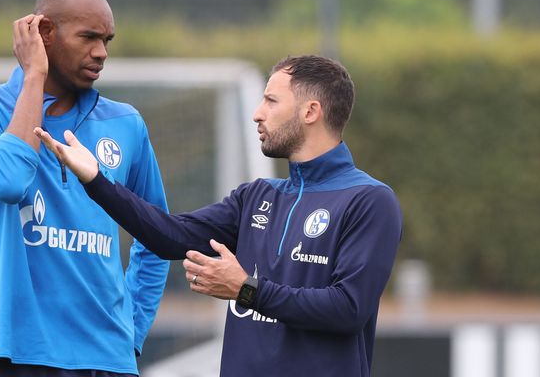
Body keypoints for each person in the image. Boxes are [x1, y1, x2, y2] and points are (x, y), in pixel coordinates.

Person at [35, 55, 402, 377]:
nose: (258, 113)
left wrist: (246, 290)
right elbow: (169, 236)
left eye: (271, 101)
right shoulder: (257, 197)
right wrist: (98, 181)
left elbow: (347, 309)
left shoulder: (369, 200)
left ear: (310, 112)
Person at [0, 0, 169, 377]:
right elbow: (9, 181)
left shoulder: (126, 124)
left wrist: (129, 334)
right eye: (88, 37)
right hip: (20, 357)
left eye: (107, 41)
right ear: (44, 32)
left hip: (109, 361)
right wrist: (33, 77)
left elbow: (157, 237)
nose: (101, 52)